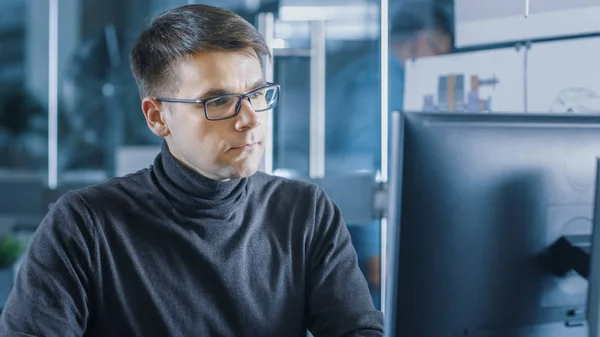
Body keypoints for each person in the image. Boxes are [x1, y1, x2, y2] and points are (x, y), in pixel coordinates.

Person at [0, 5, 383, 337]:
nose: (250, 119)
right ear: (157, 117)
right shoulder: (85, 225)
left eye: (256, 94)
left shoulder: (305, 212)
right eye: (218, 101)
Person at [325, 1, 453, 308]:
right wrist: (374, 249)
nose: (439, 65)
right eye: (440, 54)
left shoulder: (367, 70)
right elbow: (362, 166)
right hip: (361, 230)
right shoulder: (381, 81)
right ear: (423, 43)